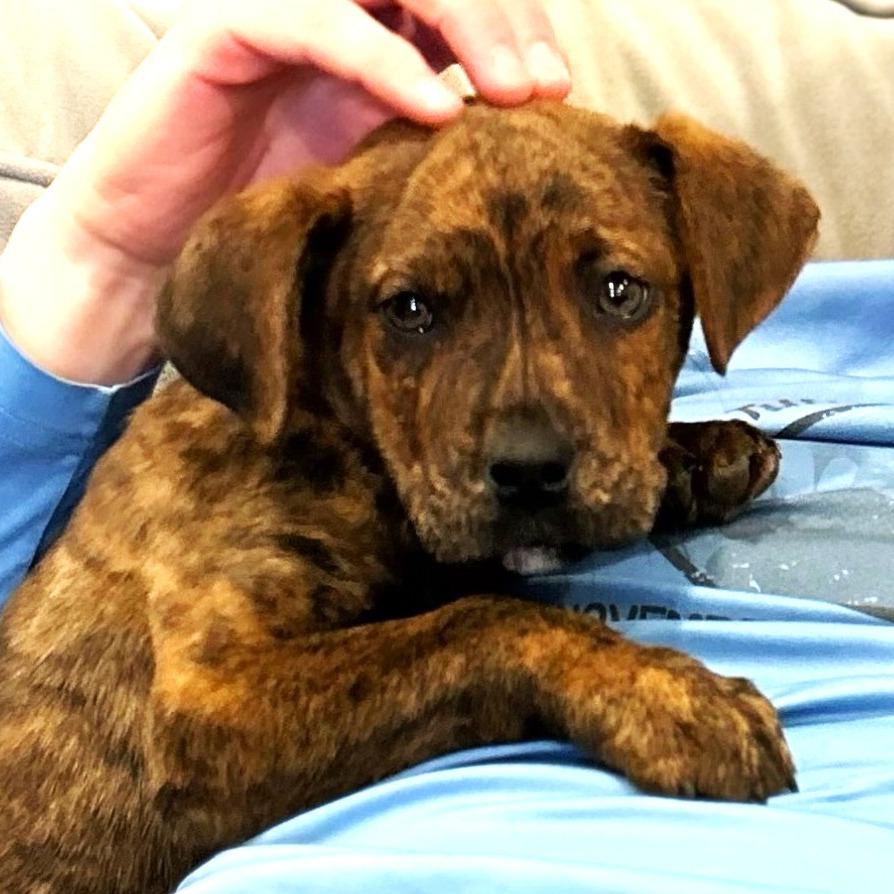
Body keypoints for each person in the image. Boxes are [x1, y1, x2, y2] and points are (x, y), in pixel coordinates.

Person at [1, 2, 893, 892]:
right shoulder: (249, 454)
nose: (531, 433)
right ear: (318, 316)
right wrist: (525, 656)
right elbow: (206, 743)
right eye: (417, 312)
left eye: (616, 295)